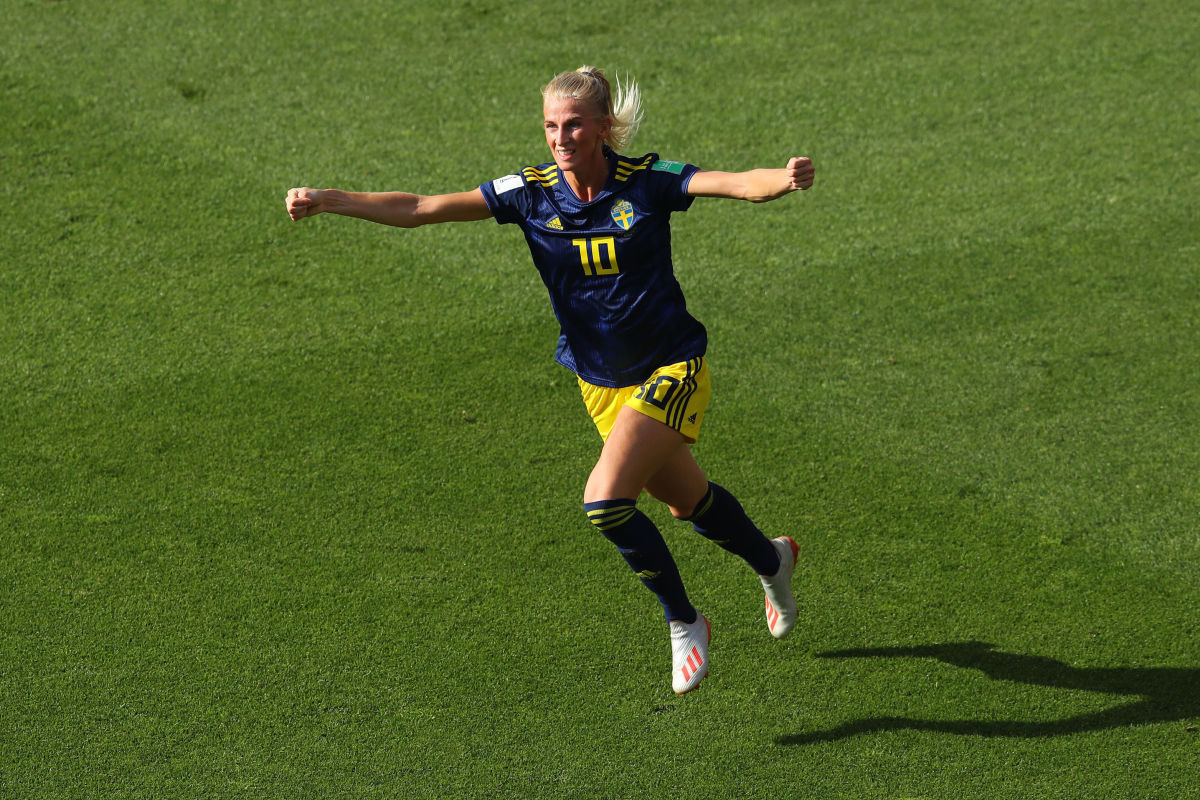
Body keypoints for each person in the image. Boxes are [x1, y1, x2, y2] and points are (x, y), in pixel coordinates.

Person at [286, 66, 815, 694]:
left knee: (604, 502)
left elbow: (732, 183)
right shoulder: (530, 193)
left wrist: (780, 181)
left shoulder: (647, 181)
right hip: (600, 383)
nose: (560, 138)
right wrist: (332, 200)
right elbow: (424, 208)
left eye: (573, 125)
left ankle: (684, 620)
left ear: (603, 128)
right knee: (685, 503)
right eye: (550, 127)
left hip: (672, 367)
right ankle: (772, 559)